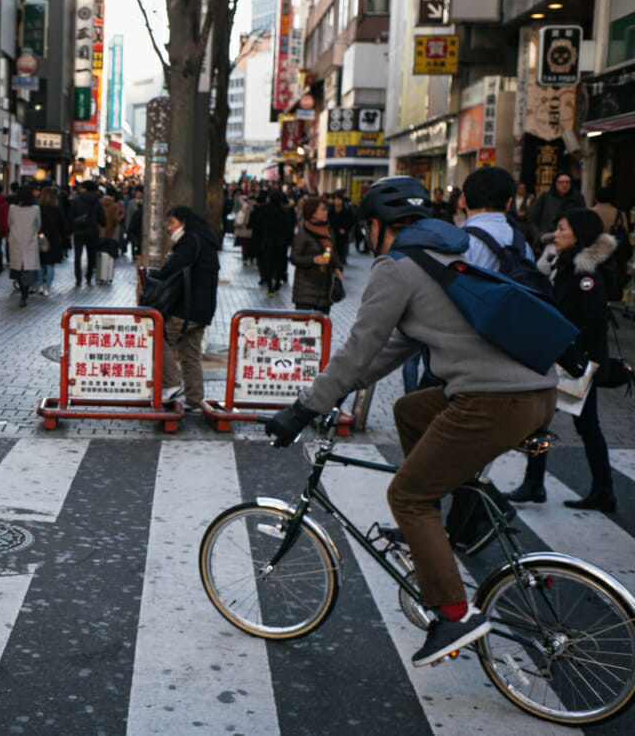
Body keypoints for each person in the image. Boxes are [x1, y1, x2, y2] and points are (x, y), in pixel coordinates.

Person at [265, 175, 557, 668]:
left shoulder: (397, 266)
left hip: (492, 401)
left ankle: (452, 615)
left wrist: (304, 407)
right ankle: (446, 514)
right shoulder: (448, 251)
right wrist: (336, 390)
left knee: (406, 495)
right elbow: (391, 347)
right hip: (533, 391)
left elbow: (359, 348)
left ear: (380, 225)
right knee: (409, 409)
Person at [505, 209, 618, 512]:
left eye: (562, 228)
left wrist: (570, 353)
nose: (556, 234)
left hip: (578, 364)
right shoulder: (566, 264)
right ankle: (541, 483)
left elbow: (594, 320)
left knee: (568, 424)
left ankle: (589, 489)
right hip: (568, 359)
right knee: (553, 421)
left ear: (578, 233)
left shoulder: (586, 273)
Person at [151, 205, 221, 411]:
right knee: (189, 352)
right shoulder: (205, 240)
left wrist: (155, 276)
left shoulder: (190, 241)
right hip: (204, 309)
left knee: (156, 337)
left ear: (184, 222)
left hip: (187, 308)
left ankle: (172, 383)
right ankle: (195, 398)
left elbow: (171, 271)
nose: (169, 228)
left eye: (172, 223)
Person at [290, 196, 343, 315]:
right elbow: (294, 257)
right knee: (304, 326)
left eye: (326, 209)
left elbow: (334, 252)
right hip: (305, 289)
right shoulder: (303, 233)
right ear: (312, 212)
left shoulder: (328, 230)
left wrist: (337, 267)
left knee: (322, 328)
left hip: (325, 288)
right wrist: (313, 260)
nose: (326, 213)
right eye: (322, 210)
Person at [526, 172, 584, 250]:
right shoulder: (545, 196)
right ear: (555, 183)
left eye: (567, 182)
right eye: (561, 182)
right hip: (545, 241)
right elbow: (532, 219)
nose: (564, 185)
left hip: (569, 244)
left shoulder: (578, 198)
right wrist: (538, 236)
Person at [255, 190, 295, 297]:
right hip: (281, 244)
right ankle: (277, 283)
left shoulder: (263, 210)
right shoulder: (284, 212)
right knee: (279, 264)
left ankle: (270, 286)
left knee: (268, 264)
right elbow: (289, 228)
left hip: (267, 243)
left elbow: (258, 227)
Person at [8, 184, 41, 307]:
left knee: (18, 268)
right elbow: (38, 225)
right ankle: (25, 293)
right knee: (28, 269)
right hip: (30, 242)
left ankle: (21, 289)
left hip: (16, 241)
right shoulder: (35, 209)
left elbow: (9, 223)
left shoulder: (12, 208)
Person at [69, 180, 104, 287]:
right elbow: (102, 217)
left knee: (77, 256)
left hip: (79, 231)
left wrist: (69, 230)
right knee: (91, 255)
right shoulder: (96, 201)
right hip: (92, 231)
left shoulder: (76, 200)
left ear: (85, 188)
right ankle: (88, 276)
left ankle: (78, 278)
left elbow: (71, 216)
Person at [38, 185, 68, 295]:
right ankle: (47, 288)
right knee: (50, 265)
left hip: (40, 239)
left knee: (41, 264)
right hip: (54, 240)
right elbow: (62, 227)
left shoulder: (39, 210)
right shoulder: (57, 211)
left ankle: (40, 285)